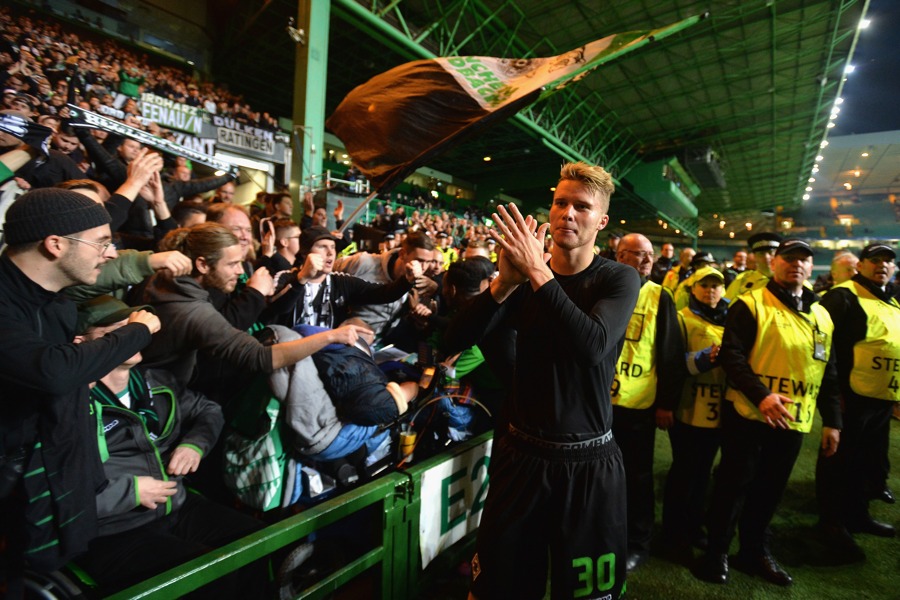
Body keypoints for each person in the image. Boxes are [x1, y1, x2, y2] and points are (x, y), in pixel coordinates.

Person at [446, 162, 640, 599]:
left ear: (602, 221)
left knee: (590, 595)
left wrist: (537, 272)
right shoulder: (521, 279)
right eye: (560, 202)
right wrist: (501, 287)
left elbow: (591, 346)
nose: (568, 213)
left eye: (582, 207)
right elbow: (453, 341)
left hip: (588, 461)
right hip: (521, 456)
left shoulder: (618, 278)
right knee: (499, 587)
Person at [0, 188, 160, 590]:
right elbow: (51, 371)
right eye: (102, 242)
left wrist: (91, 348)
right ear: (55, 244)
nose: (110, 254)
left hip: (45, 479)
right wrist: (137, 331)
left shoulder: (60, 304)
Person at [72, 296, 266, 598]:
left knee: (256, 542)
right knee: (210, 577)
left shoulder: (155, 382)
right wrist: (131, 492)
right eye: (117, 329)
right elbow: (58, 491)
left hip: (175, 503)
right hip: (111, 529)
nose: (133, 333)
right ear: (81, 341)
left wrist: (195, 444)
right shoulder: (70, 404)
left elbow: (208, 410)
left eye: (134, 326)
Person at [695, 239, 841, 587]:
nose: (797, 265)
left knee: (770, 490)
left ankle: (753, 551)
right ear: (774, 263)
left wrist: (833, 421)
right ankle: (715, 553)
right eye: (789, 259)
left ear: (811, 268)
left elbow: (829, 372)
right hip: (749, 416)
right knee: (732, 486)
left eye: (804, 260)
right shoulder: (751, 303)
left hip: (793, 421)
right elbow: (732, 357)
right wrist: (761, 397)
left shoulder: (821, 314)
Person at [816, 243, 900, 561]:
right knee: (839, 463)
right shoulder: (842, 296)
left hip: (880, 399)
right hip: (851, 398)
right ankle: (832, 524)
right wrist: (834, 397)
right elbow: (824, 344)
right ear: (860, 266)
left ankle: (857, 515)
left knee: (866, 462)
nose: (882, 265)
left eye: (888, 262)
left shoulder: (889, 299)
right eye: (875, 260)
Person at [612, 233, 686, 572]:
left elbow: (671, 354)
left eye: (649, 255)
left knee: (637, 478)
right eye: (636, 254)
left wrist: (666, 403)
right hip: (598, 404)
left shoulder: (660, 296)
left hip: (638, 406)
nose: (645, 260)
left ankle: (638, 543)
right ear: (619, 255)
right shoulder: (602, 287)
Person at [661, 266, 729, 558]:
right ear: (692, 289)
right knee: (684, 473)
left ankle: (694, 527)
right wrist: (706, 358)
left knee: (703, 474)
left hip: (719, 412)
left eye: (716, 285)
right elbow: (673, 364)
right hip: (688, 409)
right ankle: (673, 532)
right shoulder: (681, 319)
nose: (711, 290)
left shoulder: (732, 321)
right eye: (704, 285)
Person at [724, 232, 782, 300]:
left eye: (771, 252)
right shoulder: (742, 280)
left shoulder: (788, 279)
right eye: (761, 253)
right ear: (754, 256)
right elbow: (727, 303)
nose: (766, 257)